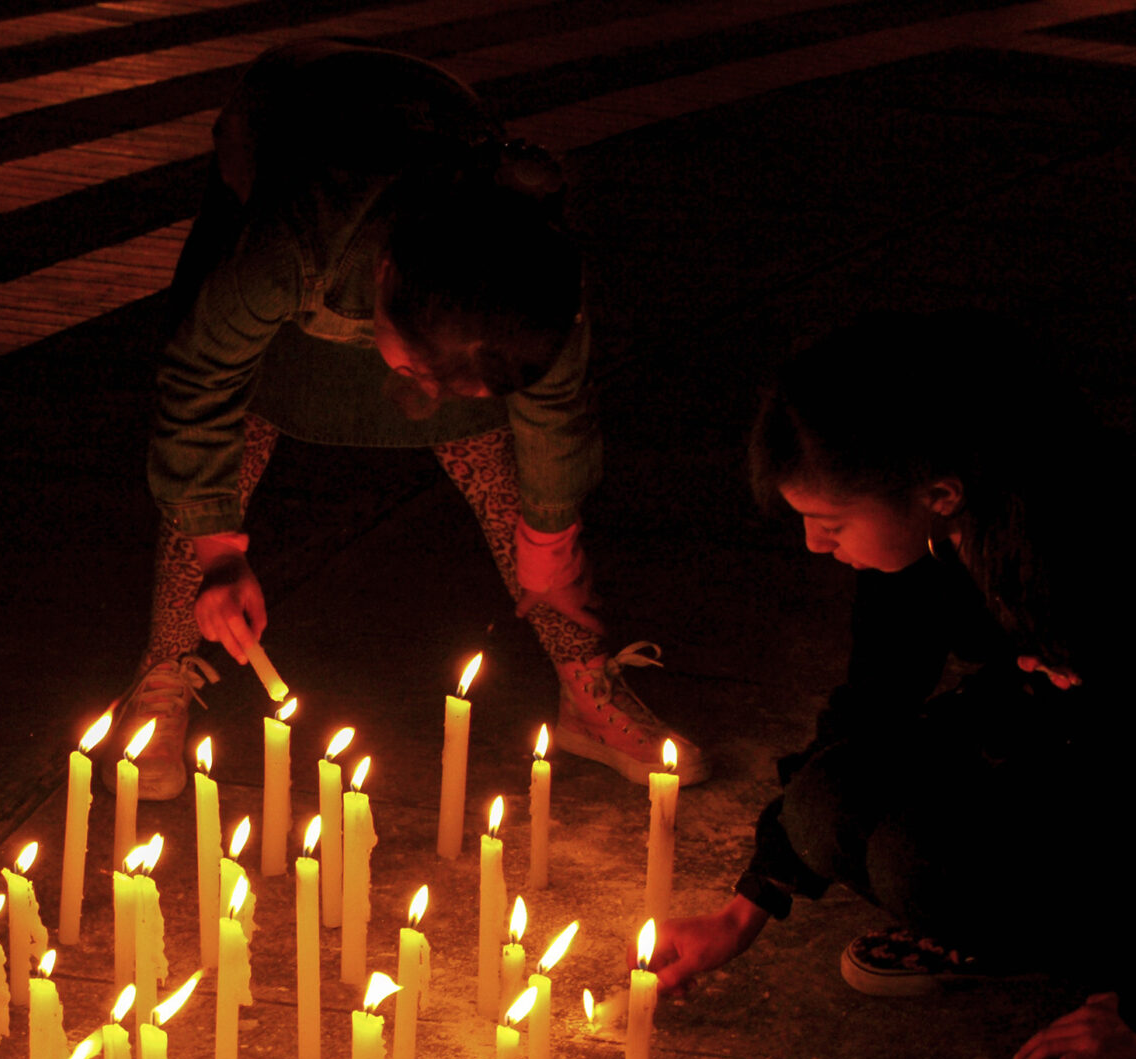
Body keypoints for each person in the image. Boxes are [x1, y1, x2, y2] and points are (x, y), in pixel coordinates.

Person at [646, 312, 1136, 1059]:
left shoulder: (1107, 533)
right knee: (824, 802)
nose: (815, 545)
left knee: (923, 863)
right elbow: (872, 698)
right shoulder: (927, 535)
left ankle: (1117, 965)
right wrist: (747, 906)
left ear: (939, 490)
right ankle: (1008, 920)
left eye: (830, 522)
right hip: (1049, 732)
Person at [108, 39, 708, 798]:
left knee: (507, 469)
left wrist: (551, 536)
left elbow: (556, 406)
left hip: (431, 180)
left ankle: (586, 688)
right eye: (418, 369)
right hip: (287, 145)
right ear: (385, 282)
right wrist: (218, 548)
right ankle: (160, 673)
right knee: (223, 445)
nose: (426, 390)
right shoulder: (293, 243)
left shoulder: (529, 269)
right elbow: (200, 379)